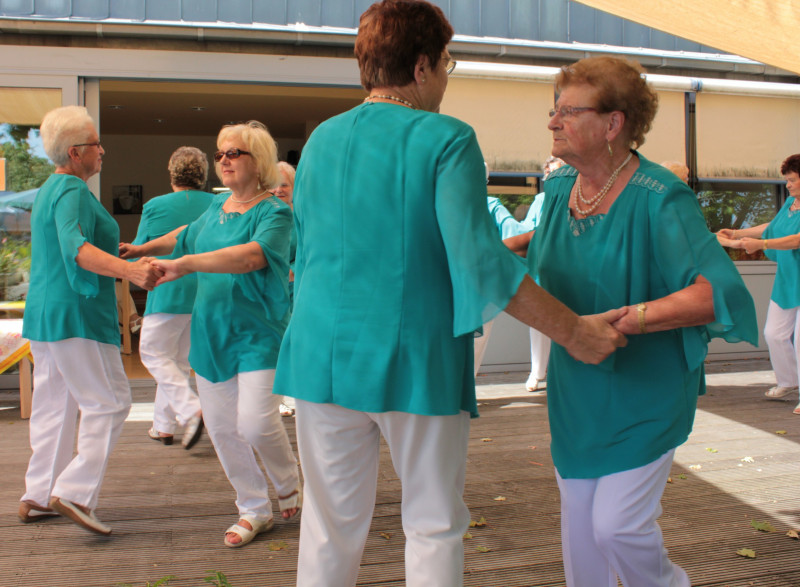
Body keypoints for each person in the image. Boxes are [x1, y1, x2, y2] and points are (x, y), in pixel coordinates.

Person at [273, 2, 626, 585]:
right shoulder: (446, 137)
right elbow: (481, 260)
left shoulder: (320, 142)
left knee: (328, 524)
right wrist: (575, 331)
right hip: (414, 355)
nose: (444, 77)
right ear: (420, 68)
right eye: (446, 64)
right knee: (433, 523)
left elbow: (306, 253)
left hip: (318, 356)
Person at [526, 56, 757, 586]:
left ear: (613, 123)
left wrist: (633, 320)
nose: (552, 123)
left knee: (617, 527)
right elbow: (537, 255)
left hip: (646, 387)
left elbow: (715, 292)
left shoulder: (660, 197)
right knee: (582, 534)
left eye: (567, 111)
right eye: (553, 110)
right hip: (576, 387)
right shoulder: (560, 190)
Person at [120, 121, 302, 548]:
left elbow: (250, 258)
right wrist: (143, 249)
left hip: (258, 335)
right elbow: (184, 236)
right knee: (222, 429)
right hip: (211, 333)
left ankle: (289, 481)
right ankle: (254, 509)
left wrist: (186, 264)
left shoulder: (274, 213)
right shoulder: (216, 210)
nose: (222, 160)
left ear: (256, 161)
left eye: (232, 153)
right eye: (219, 153)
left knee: (256, 423)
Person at [19, 105, 161, 535]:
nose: (103, 150)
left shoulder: (50, 189)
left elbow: (75, 244)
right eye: (97, 144)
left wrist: (116, 252)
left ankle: (40, 494)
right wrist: (132, 272)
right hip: (77, 313)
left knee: (54, 405)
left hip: (47, 316)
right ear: (77, 152)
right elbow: (75, 249)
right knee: (112, 401)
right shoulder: (73, 191)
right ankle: (76, 492)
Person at [133, 146, 213, 447]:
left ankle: (191, 409)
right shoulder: (218, 203)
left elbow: (142, 248)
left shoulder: (156, 206)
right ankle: (163, 426)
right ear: (203, 176)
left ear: (172, 174)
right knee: (177, 361)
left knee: (154, 354)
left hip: (168, 291)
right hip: (206, 291)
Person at [717, 153, 800, 413]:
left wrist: (761, 245)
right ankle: (789, 381)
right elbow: (772, 227)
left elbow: (797, 239)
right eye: (787, 180)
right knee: (773, 334)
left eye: (792, 180)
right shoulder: (790, 204)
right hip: (788, 278)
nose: (787, 185)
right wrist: (738, 233)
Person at [523, 155, 564, 391]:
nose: (552, 177)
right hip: (544, 269)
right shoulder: (541, 199)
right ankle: (537, 372)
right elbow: (527, 231)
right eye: (549, 173)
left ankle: (565, 374)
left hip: (573, 270)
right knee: (539, 322)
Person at [271, 161, 297, 417]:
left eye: (284, 184)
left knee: (293, 343)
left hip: (295, 291)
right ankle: (275, 398)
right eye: (273, 185)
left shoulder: (302, 217)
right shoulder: (263, 216)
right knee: (274, 344)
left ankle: (291, 396)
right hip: (269, 291)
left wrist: (294, 269)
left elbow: (313, 250)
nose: (278, 190)